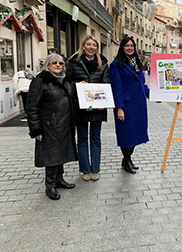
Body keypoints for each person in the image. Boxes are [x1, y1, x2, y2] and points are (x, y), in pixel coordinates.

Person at [26, 54, 78, 200]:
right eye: (54, 62)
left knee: (61, 152)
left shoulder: (67, 81)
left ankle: (59, 179)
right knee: (51, 155)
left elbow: (73, 99)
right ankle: (50, 186)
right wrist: (35, 129)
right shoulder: (40, 81)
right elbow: (32, 107)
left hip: (65, 124)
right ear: (47, 64)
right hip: (49, 125)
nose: (58, 65)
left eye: (61, 63)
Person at [66, 36, 110, 182]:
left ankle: (95, 169)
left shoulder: (102, 63)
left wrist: (105, 101)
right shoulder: (73, 62)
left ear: (97, 47)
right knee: (82, 138)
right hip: (80, 106)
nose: (91, 47)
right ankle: (85, 169)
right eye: (88, 44)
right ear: (83, 46)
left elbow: (106, 83)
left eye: (94, 45)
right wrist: (78, 83)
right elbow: (67, 82)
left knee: (96, 138)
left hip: (98, 106)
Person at [109, 36, 150, 174]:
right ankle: (126, 160)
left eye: (132, 45)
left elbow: (142, 84)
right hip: (126, 106)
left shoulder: (137, 64)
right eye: (127, 45)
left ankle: (127, 159)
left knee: (135, 134)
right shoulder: (116, 65)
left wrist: (153, 95)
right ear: (122, 47)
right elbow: (117, 88)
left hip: (138, 105)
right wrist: (119, 108)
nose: (130, 48)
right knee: (127, 135)